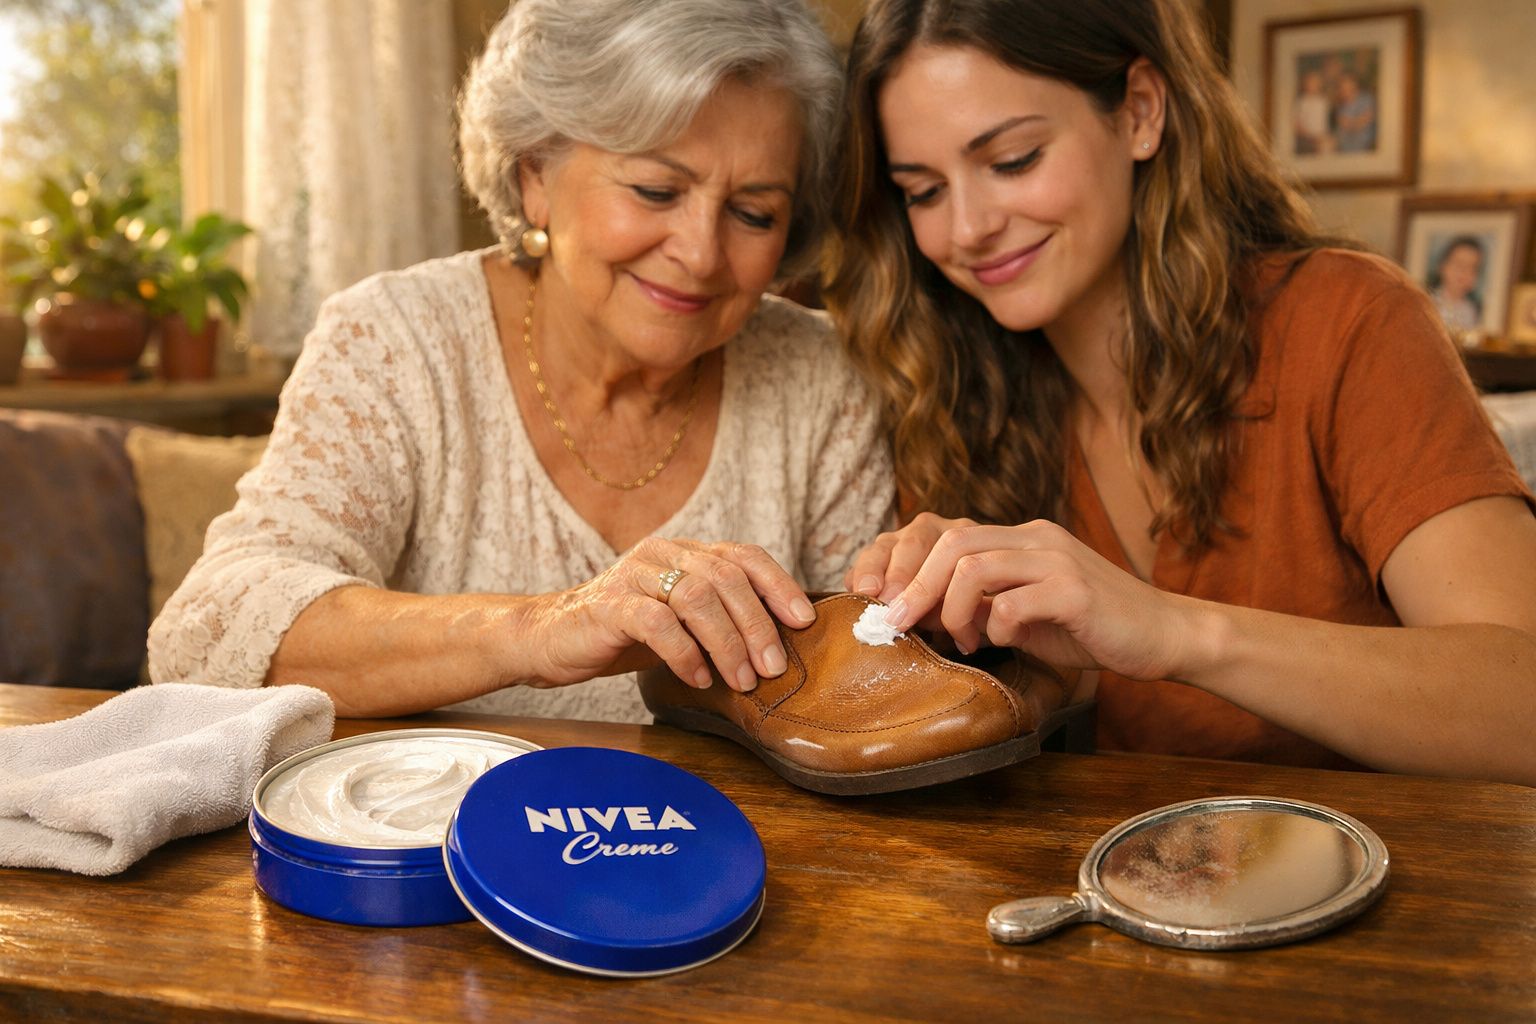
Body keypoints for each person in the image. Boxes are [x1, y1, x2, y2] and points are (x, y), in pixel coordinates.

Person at [825, 0, 1536, 784]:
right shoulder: (951, 390)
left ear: (1139, 113)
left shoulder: (1350, 321)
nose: (965, 229)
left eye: (1013, 160)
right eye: (923, 191)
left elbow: (1521, 709)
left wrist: (1175, 631)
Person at [148, 0, 894, 721]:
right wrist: (541, 628)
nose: (701, 254)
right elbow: (210, 633)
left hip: (731, 844)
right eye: (656, 189)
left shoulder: (823, 379)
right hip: (429, 842)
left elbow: (870, 685)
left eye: (753, 212)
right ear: (536, 173)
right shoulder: (397, 340)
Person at [1428, 236, 1485, 333]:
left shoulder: (1471, 310)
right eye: (1458, 264)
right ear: (1442, 266)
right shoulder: (1429, 303)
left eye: (1471, 267)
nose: (1464, 271)